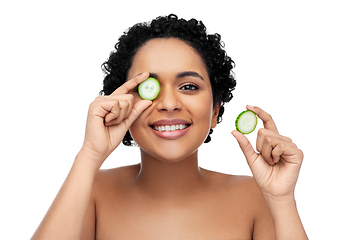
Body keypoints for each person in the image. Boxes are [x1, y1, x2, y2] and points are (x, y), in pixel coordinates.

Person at [31, 14, 308, 239]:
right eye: (148, 88)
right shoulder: (91, 191)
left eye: (188, 86)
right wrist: (90, 155)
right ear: (121, 105)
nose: (168, 103)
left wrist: (282, 201)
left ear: (215, 110)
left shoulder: (257, 198)